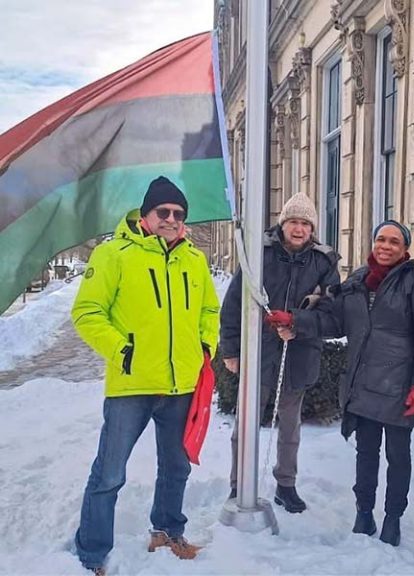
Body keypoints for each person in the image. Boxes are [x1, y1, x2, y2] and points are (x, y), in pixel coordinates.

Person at [70, 176, 220, 574]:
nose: (171, 219)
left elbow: (209, 310)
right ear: (146, 215)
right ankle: (91, 552)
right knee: (109, 473)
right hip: (131, 385)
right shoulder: (114, 254)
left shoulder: (194, 259)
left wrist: (205, 346)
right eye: (164, 212)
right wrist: (123, 350)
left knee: (176, 468)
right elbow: (87, 313)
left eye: (178, 214)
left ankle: (168, 532)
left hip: (180, 384)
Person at [274, 220, 414, 547]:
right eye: (381, 239)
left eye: (394, 241)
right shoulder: (358, 280)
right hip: (363, 383)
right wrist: (296, 320)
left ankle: (393, 518)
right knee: (366, 453)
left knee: (398, 456)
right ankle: (364, 513)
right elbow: (334, 321)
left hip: (399, 385)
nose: (386, 246)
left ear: (405, 248)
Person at [219, 193, 340, 512]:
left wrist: (298, 323)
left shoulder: (324, 262)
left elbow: (332, 314)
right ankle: (239, 483)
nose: (298, 229)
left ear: (312, 228)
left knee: (290, 425)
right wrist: (231, 349)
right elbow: (234, 303)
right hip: (259, 351)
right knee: (245, 423)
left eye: (305, 223)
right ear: (282, 223)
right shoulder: (259, 254)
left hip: (297, 354)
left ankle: (286, 484)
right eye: (293, 222)